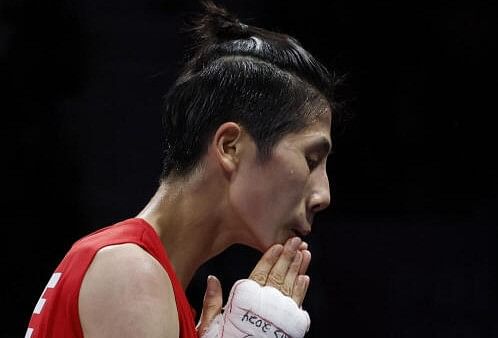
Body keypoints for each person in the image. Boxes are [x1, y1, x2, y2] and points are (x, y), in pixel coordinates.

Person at [25, 1, 340, 337]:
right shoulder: (132, 274)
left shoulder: (139, 276)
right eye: (311, 159)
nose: (324, 195)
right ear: (230, 147)